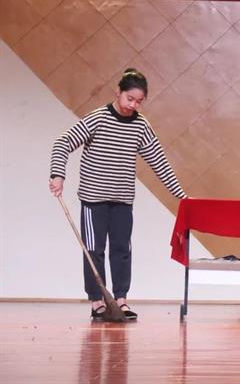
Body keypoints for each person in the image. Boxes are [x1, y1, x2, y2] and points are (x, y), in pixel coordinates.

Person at [49, 68, 187, 321]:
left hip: (122, 200)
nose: (132, 105)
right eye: (129, 99)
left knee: (122, 249)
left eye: (138, 101)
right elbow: (63, 142)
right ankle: (97, 302)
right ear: (118, 92)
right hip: (93, 200)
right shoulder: (98, 118)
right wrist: (58, 174)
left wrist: (181, 196)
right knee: (94, 250)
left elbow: (159, 161)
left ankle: (120, 300)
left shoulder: (140, 125)